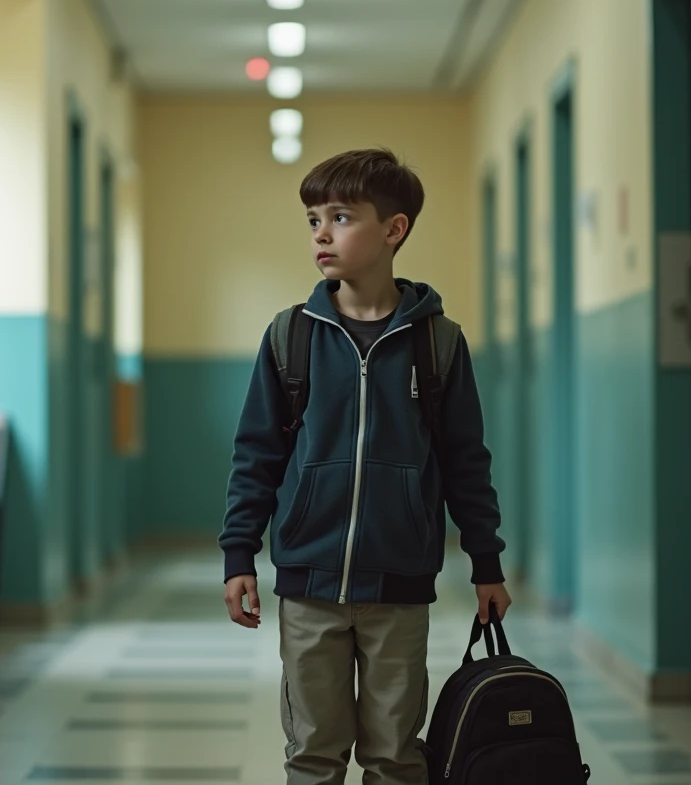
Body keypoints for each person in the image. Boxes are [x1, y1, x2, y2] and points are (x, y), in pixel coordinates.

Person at [219, 148, 511, 785]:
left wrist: (486, 563)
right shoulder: (289, 337)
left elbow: (466, 461)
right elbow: (257, 455)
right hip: (308, 584)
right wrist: (239, 553)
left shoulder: (438, 343)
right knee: (314, 755)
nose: (322, 232)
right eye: (313, 219)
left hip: (399, 588)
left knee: (395, 758)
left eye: (342, 216)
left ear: (394, 229)